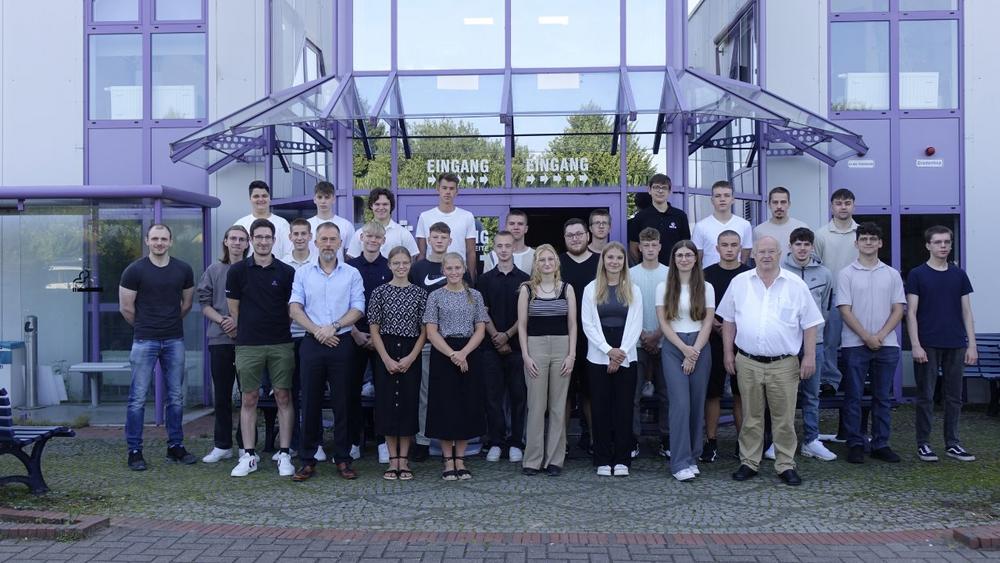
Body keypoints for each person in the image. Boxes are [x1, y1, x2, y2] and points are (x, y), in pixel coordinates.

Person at [718, 236, 823, 486]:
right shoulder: (739, 282)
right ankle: (749, 462)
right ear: (753, 253)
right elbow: (728, 321)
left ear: (780, 253)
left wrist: (809, 356)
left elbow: (810, 324)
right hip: (748, 361)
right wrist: (727, 353)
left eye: (771, 251)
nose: (766, 255)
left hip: (784, 364)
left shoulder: (795, 285)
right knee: (751, 416)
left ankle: (785, 464)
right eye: (761, 251)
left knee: (783, 418)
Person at [289, 222, 366, 481]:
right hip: (312, 342)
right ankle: (307, 460)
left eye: (333, 239)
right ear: (316, 242)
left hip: (342, 342)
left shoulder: (352, 273)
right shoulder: (303, 273)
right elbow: (295, 308)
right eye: (324, 239)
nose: (329, 244)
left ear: (340, 243)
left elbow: (358, 307)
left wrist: (333, 327)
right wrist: (317, 331)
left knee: (343, 403)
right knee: (309, 402)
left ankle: (343, 458)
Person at [119, 224, 196, 471]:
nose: (159, 243)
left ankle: (176, 446)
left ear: (171, 241)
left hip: (174, 340)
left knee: (176, 397)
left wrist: (168, 323)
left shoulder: (183, 269)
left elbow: (186, 304)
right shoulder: (134, 270)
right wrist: (146, 326)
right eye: (155, 239)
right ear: (147, 241)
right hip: (144, 340)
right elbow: (126, 308)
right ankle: (134, 451)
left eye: (163, 239)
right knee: (137, 398)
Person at [225, 219, 297, 478]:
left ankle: (285, 453)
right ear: (251, 240)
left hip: (280, 343)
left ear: (274, 240)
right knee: (249, 398)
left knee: (283, 397)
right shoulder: (237, 271)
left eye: (268, 237)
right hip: (248, 344)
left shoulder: (287, 272)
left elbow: (291, 309)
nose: (263, 241)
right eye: (259, 237)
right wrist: (249, 328)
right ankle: (248, 455)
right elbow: (234, 309)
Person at [906, 225, 978, 463]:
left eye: (947, 242)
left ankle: (953, 444)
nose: (943, 246)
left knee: (954, 397)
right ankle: (923, 444)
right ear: (928, 245)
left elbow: (967, 311)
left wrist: (972, 344)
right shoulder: (917, 274)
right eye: (938, 242)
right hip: (927, 344)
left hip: (955, 343)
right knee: (926, 397)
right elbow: (911, 312)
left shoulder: (959, 275)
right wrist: (915, 344)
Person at [837, 222, 905, 464]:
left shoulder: (892, 274)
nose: (868, 242)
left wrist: (880, 336)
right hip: (854, 344)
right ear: (856, 243)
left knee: (882, 397)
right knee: (853, 397)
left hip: (887, 345)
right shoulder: (846, 274)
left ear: (880, 243)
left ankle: (880, 444)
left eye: (873, 239)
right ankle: (855, 443)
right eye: (864, 238)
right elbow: (844, 310)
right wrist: (866, 336)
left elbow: (898, 309)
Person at [423, 253, 490, 480]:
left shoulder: (475, 295)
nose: (453, 272)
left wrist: (464, 353)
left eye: (457, 268)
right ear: (443, 271)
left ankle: (460, 459)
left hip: (469, 352)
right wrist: (453, 354)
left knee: (466, 405)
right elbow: (431, 331)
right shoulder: (435, 296)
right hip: (444, 353)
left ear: (464, 269)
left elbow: (480, 329)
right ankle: (447, 460)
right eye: (449, 268)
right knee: (445, 406)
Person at [408, 221, 471, 462]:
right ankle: (423, 441)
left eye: (443, 237)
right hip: (427, 340)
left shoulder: (459, 268)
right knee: (426, 393)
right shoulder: (418, 268)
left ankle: (456, 440)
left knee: (455, 394)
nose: (439, 241)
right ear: (429, 240)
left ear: (450, 240)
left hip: (457, 344)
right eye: (435, 237)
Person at [581, 242, 643, 477]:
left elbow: (636, 324)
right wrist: (608, 350)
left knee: (624, 408)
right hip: (599, 354)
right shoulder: (591, 288)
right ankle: (603, 459)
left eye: (619, 258)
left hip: (626, 354)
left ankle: (622, 459)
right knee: (600, 408)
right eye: (610, 258)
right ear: (603, 261)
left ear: (624, 262)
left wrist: (620, 353)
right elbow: (588, 324)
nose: (614, 262)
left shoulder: (633, 289)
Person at [777, 227, 837, 462]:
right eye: (798, 244)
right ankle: (781, 442)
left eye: (806, 244)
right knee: (783, 395)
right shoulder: (780, 271)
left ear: (812, 247)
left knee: (812, 394)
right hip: (787, 343)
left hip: (815, 343)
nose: (802, 248)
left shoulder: (824, 274)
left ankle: (811, 440)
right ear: (790, 246)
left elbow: (825, 309)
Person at [368, 246, 428, 480]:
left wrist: (412, 357)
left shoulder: (420, 293)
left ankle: (404, 459)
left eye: (405, 263)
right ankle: (392, 460)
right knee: (386, 405)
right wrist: (385, 358)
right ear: (389, 265)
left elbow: (424, 330)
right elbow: (374, 329)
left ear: (410, 264)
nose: (401, 267)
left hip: (411, 350)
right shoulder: (379, 292)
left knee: (407, 404)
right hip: (386, 349)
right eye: (396, 263)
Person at [656, 240, 714, 481]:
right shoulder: (664, 286)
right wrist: (684, 349)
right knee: (680, 404)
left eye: (688, 255)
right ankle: (679, 462)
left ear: (695, 258)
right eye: (679, 255)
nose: (684, 259)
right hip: (674, 346)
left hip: (700, 345)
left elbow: (708, 322)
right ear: (673, 259)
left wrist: (695, 351)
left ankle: (692, 456)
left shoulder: (707, 287)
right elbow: (663, 322)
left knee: (697, 403)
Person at [517, 245, 577, 476]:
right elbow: (522, 326)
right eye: (542, 260)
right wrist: (525, 355)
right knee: (536, 406)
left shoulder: (567, 289)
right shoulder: (526, 289)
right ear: (536, 263)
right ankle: (532, 460)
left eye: (550, 259)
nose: (547, 263)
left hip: (562, 347)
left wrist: (571, 355)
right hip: (535, 347)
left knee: (557, 406)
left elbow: (572, 324)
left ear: (557, 262)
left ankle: (554, 460)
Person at [476, 231, 530, 463]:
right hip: (490, 347)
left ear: (513, 247)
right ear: (494, 249)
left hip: (518, 347)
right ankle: (496, 442)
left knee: (519, 396)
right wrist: (496, 337)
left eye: (508, 245)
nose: (504, 249)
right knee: (492, 397)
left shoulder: (526, 279)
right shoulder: (484, 280)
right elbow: (482, 311)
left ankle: (516, 442)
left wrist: (507, 335)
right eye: (500, 246)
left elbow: (526, 314)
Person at [199, 225, 249, 464]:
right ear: (226, 242)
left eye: (242, 239)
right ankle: (222, 445)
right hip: (220, 339)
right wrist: (223, 321)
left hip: (247, 340)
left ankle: (246, 445)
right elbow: (204, 303)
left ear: (247, 244)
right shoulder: (214, 270)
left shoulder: (252, 269)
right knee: (222, 395)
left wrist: (239, 323)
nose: (237, 243)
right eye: (233, 239)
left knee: (248, 395)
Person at [701, 230, 751, 463]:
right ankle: (711, 442)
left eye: (733, 245)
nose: (729, 249)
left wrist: (733, 327)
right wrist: (716, 325)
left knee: (741, 394)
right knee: (712, 393)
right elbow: (699, 305)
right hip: (712, 340)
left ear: (740, 247)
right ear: (717, 248)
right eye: (725, 245)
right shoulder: (706, 274)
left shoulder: (749, 275)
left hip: (742, 342)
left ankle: (743, 443)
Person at [347, 222, 393, 462]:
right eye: (369, 236)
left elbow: (394, 304)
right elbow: (341, 302)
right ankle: (354, 441)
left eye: (377, 237)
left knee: (384, 392)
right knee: (352, 391)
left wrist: (378, 337)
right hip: (354, 335)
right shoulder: (349, 267)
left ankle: (383, 442)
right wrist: (354, 332)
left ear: (383, 240)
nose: (373, 240)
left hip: (382, 339)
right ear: (361, 238)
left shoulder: (390, 267)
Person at [628, 228, 670, 458]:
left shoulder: (670, 273)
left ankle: (667, 439)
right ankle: (633, 440)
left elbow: (673, 307)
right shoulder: (630, 274)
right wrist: (643, 335)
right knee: (633, 395)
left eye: (654, 245)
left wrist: (657, 334)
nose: (650, 249)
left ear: (660, 247)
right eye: (646, 245)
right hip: (637, 342)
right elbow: (627, 308)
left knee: (666, 394)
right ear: (640, 248)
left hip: (665, 341)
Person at [560, 218, 600, 454]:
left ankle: (596, 441)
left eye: (579, 234)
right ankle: (561, 444)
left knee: (591, 392)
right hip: (562, 337)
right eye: (570, 235)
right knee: (563, 394)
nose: (575, 238)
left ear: (588, 236)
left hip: (592, 339)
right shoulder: (556, 263)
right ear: (564, 239)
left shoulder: (600, 262)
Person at [814, 188, 859, 396]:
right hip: (831, 295)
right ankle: (830, 381)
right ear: (832, 207)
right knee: (830, 341)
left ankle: (855, 379)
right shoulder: (821, 234)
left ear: (853, 206)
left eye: (847, 203)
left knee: (857, 340)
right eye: (839, 203)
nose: (843, 207)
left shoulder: (862, 233)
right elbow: (817, 267)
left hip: (858, 295)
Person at [279, 218, 313, 458]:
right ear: (290, 237)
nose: (300, 237)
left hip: (313, 335)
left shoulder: (320, 263)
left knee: (311, 391)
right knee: (289, 391)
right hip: (288, 336)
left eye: (304, 233)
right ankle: (292, 443)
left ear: (310, 237)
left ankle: (313, 442)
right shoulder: (281, 264)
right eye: (296, 234)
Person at [415, 173, 477, 279]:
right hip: (431, 272)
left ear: (456, 191)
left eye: (451, 188)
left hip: (458, 273)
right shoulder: (425, 216)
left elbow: (471, 252)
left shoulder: (467, 216)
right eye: (444, 188)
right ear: (438, 189)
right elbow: (421, 253)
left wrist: (471, 279)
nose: (448, 192)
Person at [628, 173, 690, 265]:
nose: (660, 191)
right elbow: (633, 247)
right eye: (656, 187)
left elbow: (685, 245)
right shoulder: (640, 217)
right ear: (649, 190)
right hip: (648, 269)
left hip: (674, 269)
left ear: (669, 191)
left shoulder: (680, 216)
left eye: (664, 188)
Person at [692, 180, 752, 267]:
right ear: (712, 200)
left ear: (733, 199)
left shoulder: (744, 225)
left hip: (737, 274)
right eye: (718, 196)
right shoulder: (701, 226)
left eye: (727, 195)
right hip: (709, 274)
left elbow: (745, 252)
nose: (722, 199)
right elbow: (697, 257)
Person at [346, 187, 419, 259]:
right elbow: (353, 259)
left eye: (385, 204)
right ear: (371, 206)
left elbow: (412, 259)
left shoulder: (403, 233)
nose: (381, 208)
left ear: (391, 206)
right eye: (377, 204)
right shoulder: (360, 233)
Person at [235, 180, 291, 260]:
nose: (261, 199)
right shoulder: (240, 224)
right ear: (250, 199)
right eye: (256, 196)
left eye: (264, 196)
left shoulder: (282, 224)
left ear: (269, 198)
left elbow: (289, 252)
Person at [753, 187, 809, 257]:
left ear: (789, 204)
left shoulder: (802, 228)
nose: (779, 206)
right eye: (775, 202)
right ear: (769, 205)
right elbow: (755, 258)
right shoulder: (758, 231)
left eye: (783, 202)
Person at [307, 180, 354, 263]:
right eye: (320, 197)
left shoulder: (346, 225)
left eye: (327, 197)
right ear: (314, 199)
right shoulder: (307, 225)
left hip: (339, 270)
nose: (323, 201)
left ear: (334, 199)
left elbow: (350, 257)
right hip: (311, 270)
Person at [483, 209, 535, 274]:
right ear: (505, 227)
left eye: (520, 224)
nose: (516, 227)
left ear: (526, 229)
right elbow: (486, 280)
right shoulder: (492, 256)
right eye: (512, 224)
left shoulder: (535, 255)